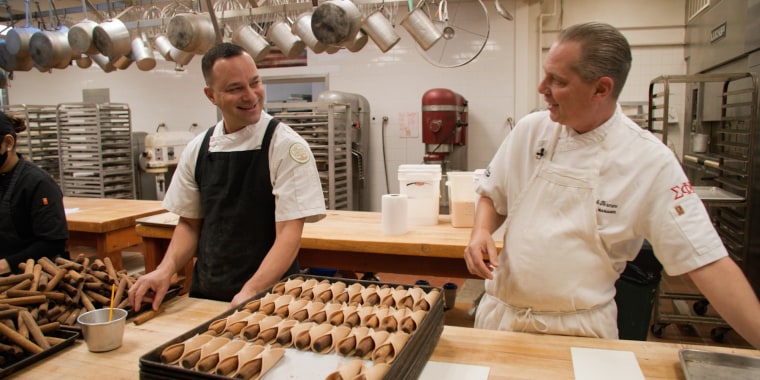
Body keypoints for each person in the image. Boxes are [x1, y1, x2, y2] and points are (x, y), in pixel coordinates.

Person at [464, 22, 760, 348]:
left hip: (579, 333)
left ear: (601, 89)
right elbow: (493, 194)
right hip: (500, 322)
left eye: (557, 81)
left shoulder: (648, 161)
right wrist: (481, 231)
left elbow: (708, 262)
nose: (541, 87)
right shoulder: (530, 130)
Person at [128, 43, 326, 311]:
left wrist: (252, 290)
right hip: (207, 293)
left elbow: (289, 234)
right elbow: (189, 224)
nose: (250, 95)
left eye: (254, 83)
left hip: (270, 298)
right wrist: (165, 269)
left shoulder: (285, 147)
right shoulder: (198, 149)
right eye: (235, 89)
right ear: (211, 95)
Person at [0, 112, 68, 275]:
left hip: (30, 281)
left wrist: (7, 264)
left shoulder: (38, 183)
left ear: (8, 142)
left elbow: (53, 243)